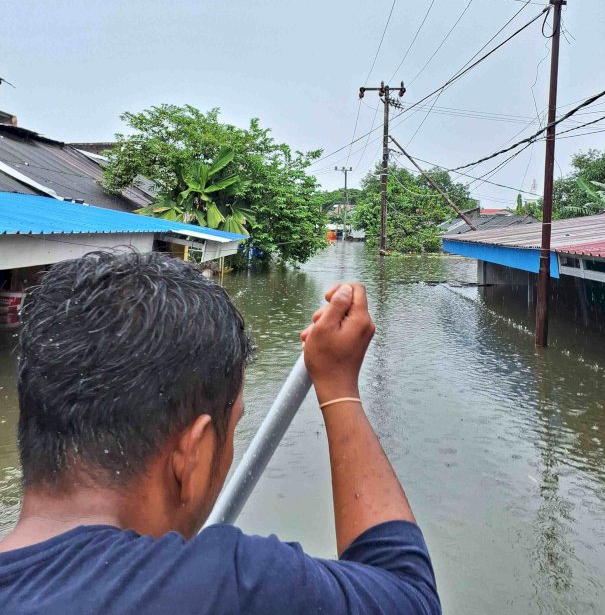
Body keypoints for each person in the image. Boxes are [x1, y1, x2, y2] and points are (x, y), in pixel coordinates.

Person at [0, 251, 440, 615]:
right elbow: (407, 592)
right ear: (189, 457)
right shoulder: (224, 587)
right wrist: (338, 385)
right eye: (232, 429)